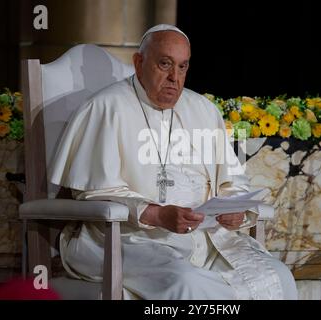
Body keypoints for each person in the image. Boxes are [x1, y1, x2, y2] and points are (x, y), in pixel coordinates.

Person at [49, 24, 297, 300]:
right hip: (128, 239)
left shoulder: (202, 109)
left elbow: (233, 182)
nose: (174, 78)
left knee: (277, 276)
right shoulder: (106, 107)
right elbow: (93, 192)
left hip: (206, 240)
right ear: (139, 62)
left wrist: (235, 210)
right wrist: (156, 214)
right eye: (165, 64)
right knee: (188, 284)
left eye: (182, 67)